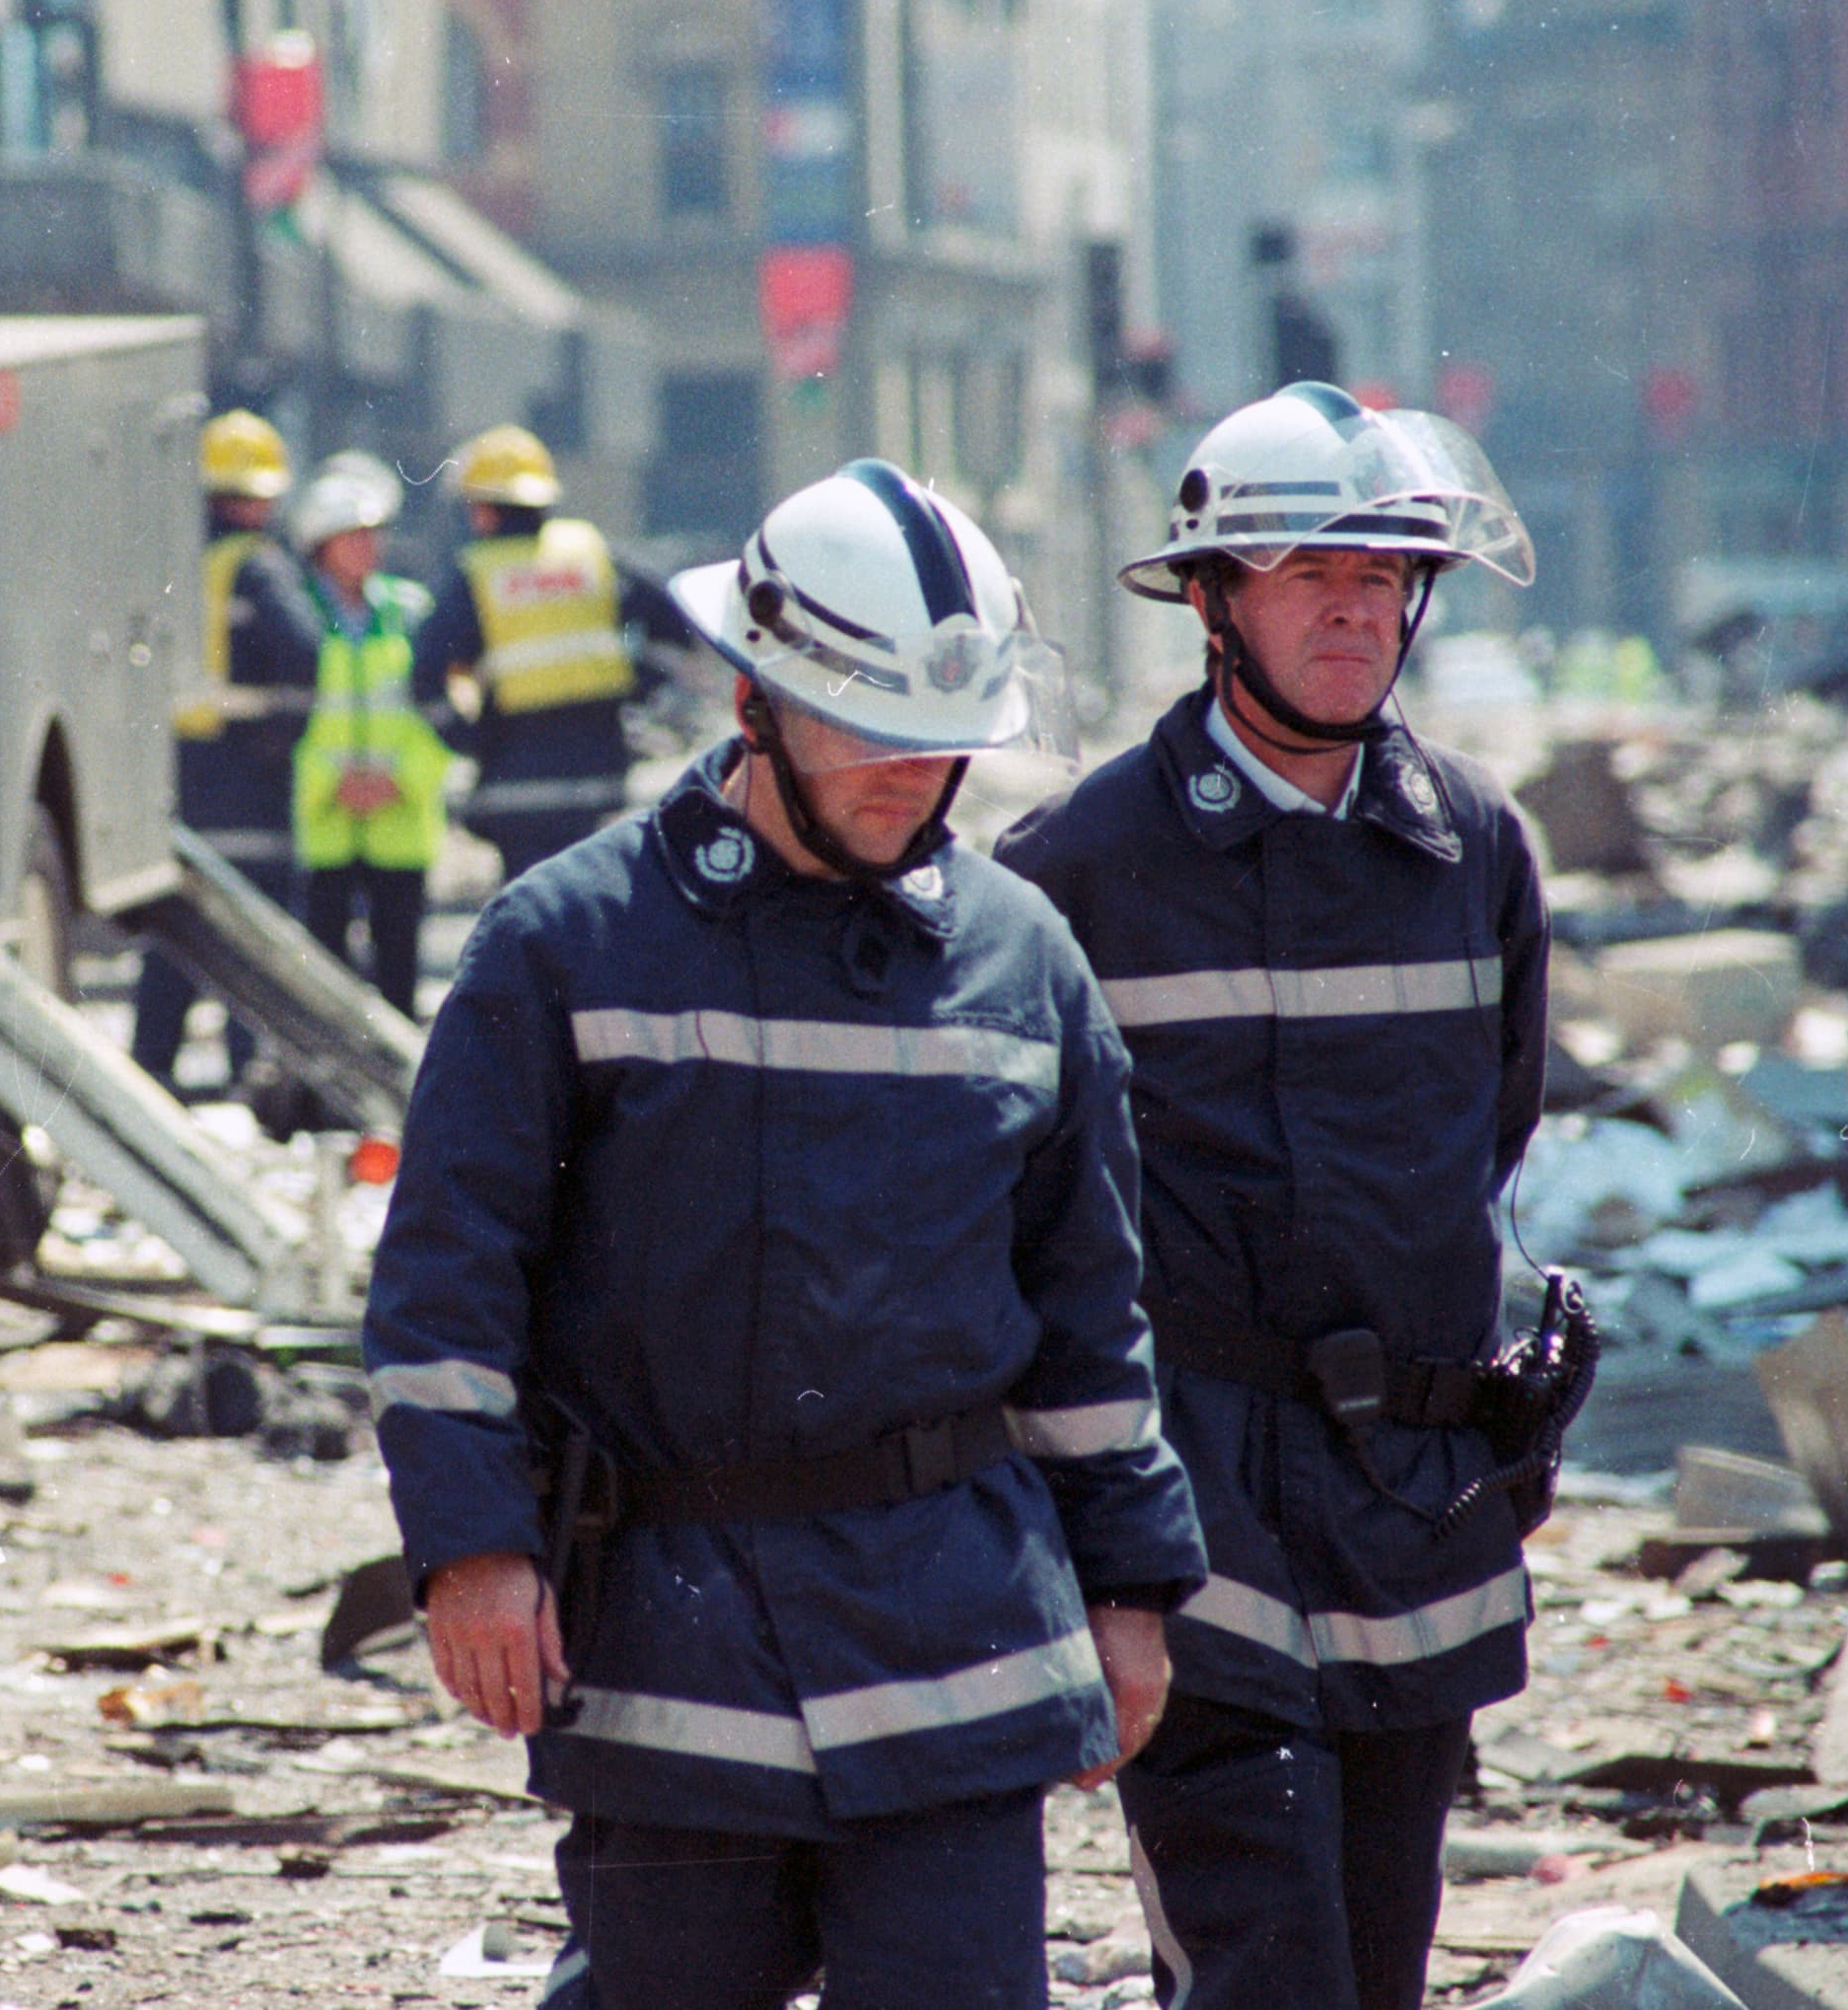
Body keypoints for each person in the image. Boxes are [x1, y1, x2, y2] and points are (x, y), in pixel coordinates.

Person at [364, 460, 1207, 2009]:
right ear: (753, 702)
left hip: (956, 1636)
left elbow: (1090, 1315)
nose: (913, 775)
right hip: (675, 1650)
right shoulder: (565, 943)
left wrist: (1133, 1587)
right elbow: (445, 1279)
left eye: (944, 741)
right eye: (869, 728)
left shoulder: (1026, 966)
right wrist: (472, 1551)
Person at [993, 384, 1561, 2010]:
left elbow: (1488, 1138)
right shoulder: (1079, 872)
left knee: (1378, 1967)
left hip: (1413, 1511)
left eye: (1383, 575)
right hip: (1197, 1512)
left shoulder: (1473, 851)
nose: (1354, 607)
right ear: (1207, 599)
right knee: (1263, 1969)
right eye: (1309, 569)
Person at [132, 408, 323, 1090]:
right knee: (252, 938)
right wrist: (282, 736)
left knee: (177, 936)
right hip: (251, 782)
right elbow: (306, 651)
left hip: (184, 779)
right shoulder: (259, 567)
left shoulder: (173, 562)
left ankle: (149, 1071)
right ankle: (251, 1076)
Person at [414, 424, 684, 885]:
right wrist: (636, 686)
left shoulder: (476, 574)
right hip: (600, 777)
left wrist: (469, 738)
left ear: (480, 511)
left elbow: (425, 675)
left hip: (519, 784)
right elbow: (675, 619)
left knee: (533, 919)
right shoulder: (592, 553)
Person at [286, 451, 451, 1021]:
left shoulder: (411, 612)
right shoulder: (295, 615)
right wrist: (331, 784)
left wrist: (400, 779)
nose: (366, 547)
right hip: (323, 819)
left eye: (372, 534)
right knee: (322, 968)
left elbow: (440, 711)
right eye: (350, 536)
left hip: (399, 815)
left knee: (399, 970)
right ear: (319, 545)